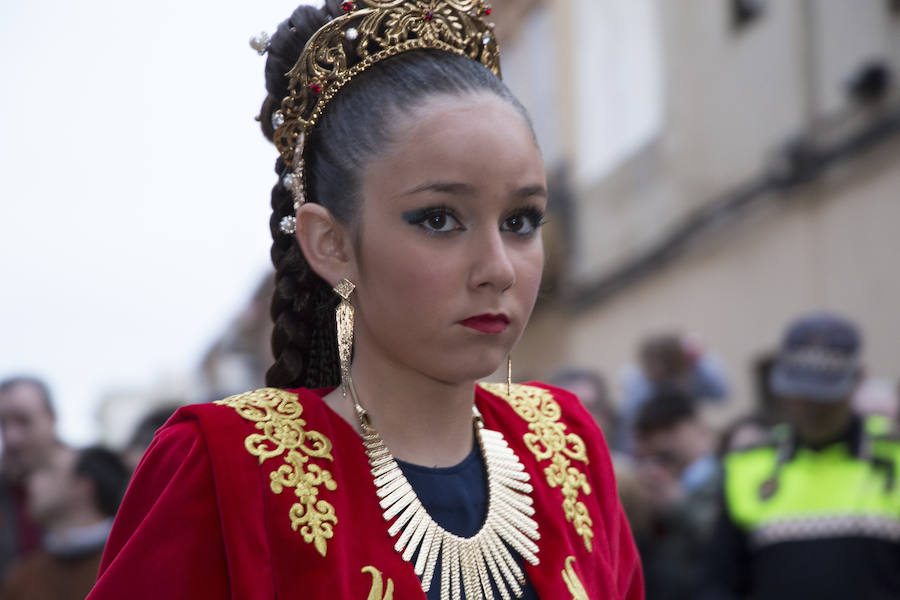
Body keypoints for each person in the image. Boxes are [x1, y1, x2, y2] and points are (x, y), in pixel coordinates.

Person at [88, 2, 644, 599]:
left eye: (521, 220)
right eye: (439, 219)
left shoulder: (567, 443)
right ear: (331, 245)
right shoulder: (226, 471)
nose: (498, 269)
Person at [701, 312, 900, 599]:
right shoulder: (748, 465)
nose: (811, 405)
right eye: (802, 390)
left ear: (857, 381)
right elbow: (718, 583)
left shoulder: (892, 455)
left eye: (824, 394)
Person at [0, 446, 128, 600]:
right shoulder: (24, 577)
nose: (32, 481)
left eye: (48, 471)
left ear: (83, 486)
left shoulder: (125, 567)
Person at [631, 387, 719, 600]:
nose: (662, 443)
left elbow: (720, 538)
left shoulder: (723, 479)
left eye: (667, 431)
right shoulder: (659, 483)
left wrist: (677, 505)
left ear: (690, 426)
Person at [619, 333, 729, 452]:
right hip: (655, 445)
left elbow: (721, 394)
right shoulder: (639, 384)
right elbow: (631, 420)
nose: (658, 367)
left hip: (687, 439)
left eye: (664, 360)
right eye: (651, 361)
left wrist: (700, 360)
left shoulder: (690, 377)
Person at [0, 376, 59, 582]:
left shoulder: (96, 481)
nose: (11, 437)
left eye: (23, 421)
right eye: (2, 424)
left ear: (51, 418)